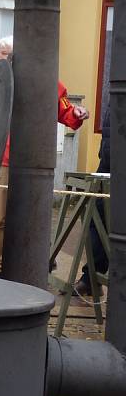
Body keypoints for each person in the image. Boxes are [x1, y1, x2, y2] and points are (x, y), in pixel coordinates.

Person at [0, 36, 88, 276]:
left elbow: (66, 112)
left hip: (35, 163)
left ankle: (32, 263)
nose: (3, 58)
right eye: (0, 53)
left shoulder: (49, 84)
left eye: (6, 53)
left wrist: (78, 114)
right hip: (4, 160)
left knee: (33, 216)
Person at [73, 104, 110, 296]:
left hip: (113, 166)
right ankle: (91, 278)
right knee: (95, 220)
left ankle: (92, 278)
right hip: (108, 166)